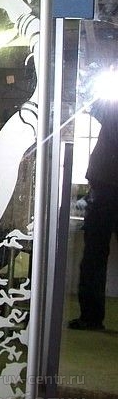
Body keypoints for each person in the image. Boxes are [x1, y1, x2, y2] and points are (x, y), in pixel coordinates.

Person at [69, 97, 118, 330]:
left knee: (94, 255)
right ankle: (90, 316)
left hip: (105, 184)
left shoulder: (112, 110)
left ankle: (91, 317)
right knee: (94, 255)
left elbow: (95, 106)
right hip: (104, 183)